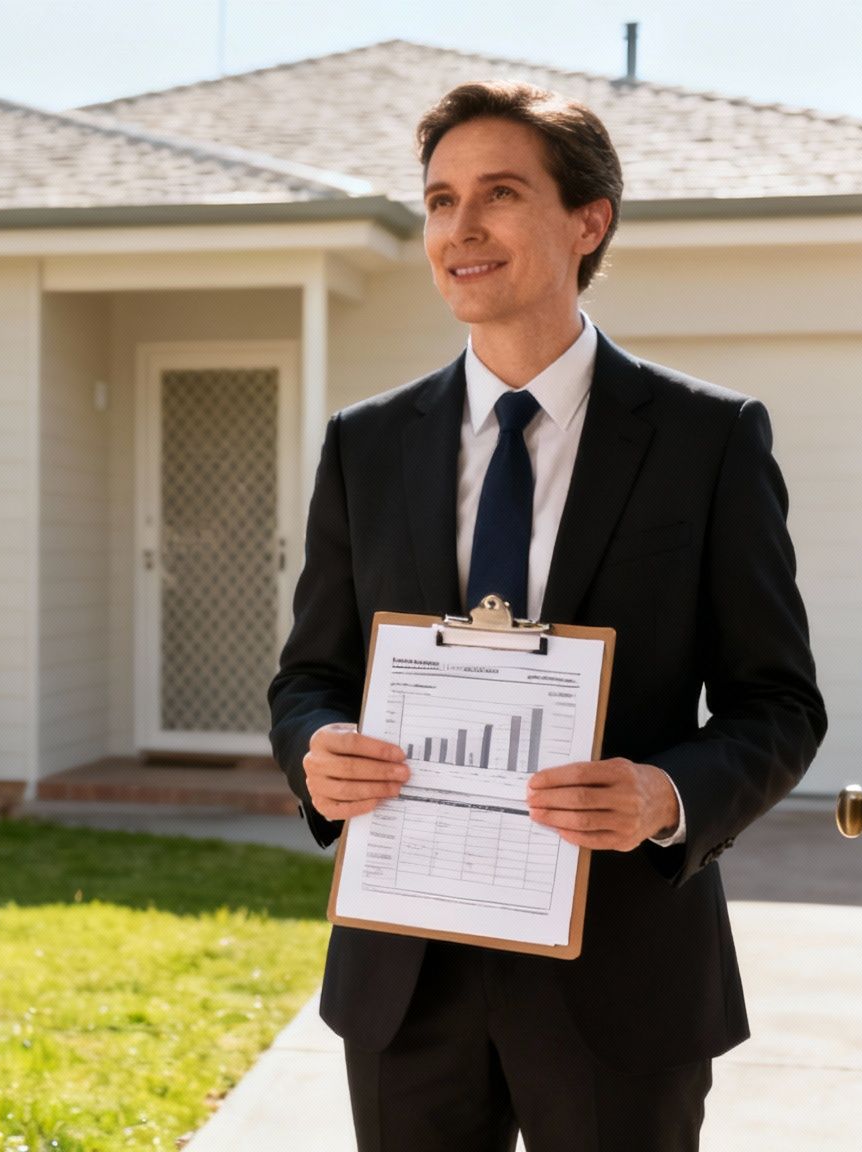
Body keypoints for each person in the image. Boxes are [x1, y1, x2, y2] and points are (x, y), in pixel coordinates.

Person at [268, 80, 827, 1151]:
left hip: (621, 980)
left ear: (587, 219)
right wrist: (316, 754)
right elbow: (308, 679)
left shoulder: (707, 441)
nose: (458, 229)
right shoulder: (364, 446)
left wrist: (666, 793)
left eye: (497, 194)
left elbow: (777, 704)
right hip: (406, 983)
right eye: (437, 201)